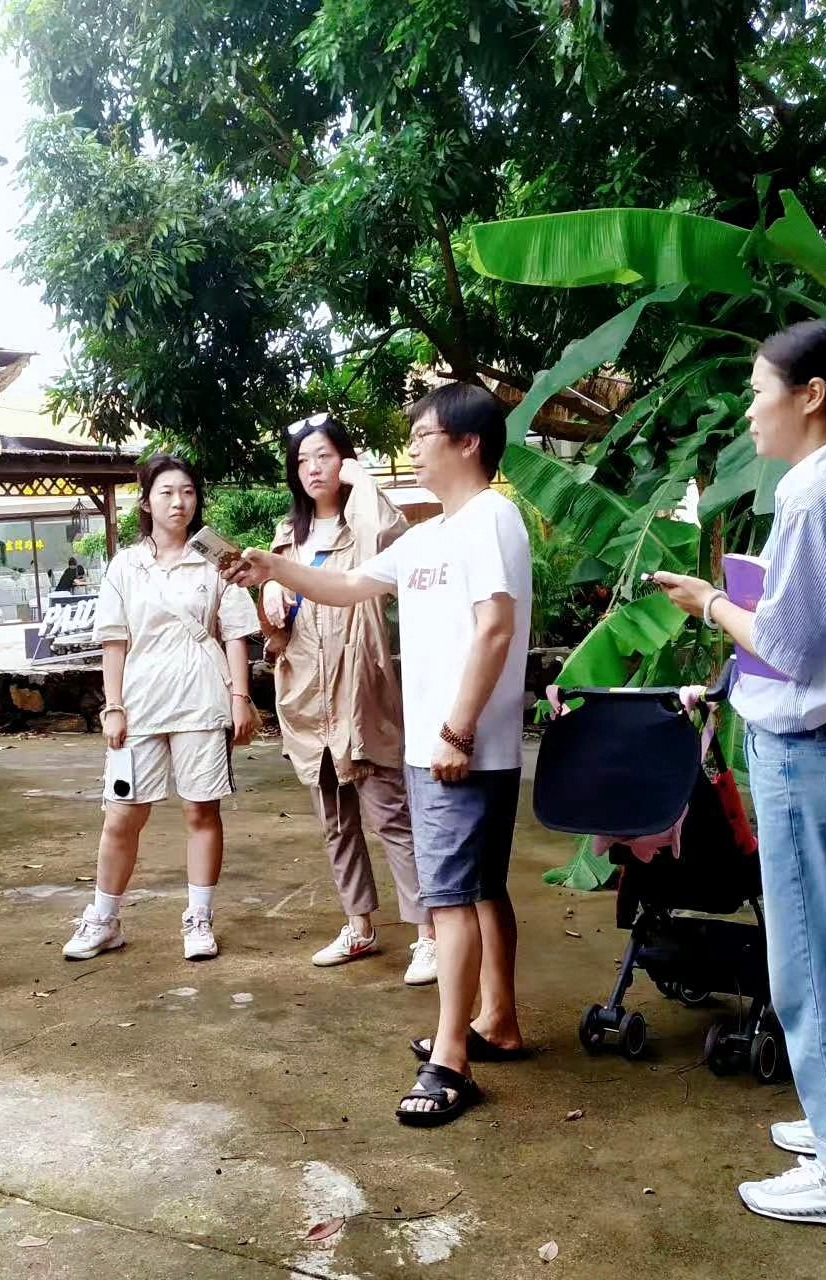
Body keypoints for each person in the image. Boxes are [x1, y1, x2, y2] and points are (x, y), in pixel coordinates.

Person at [652, 320, 826, 1231]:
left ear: (812, 396)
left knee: (815, 973)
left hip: (814, 763)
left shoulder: (818, 494)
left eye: (759, 391)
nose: (749, 411)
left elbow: (789, 647)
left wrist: (710, 603)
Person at [227, 383, 532, 1128]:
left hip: (459, 746)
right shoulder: (430, 535)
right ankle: (497, 1021)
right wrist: (274, 569)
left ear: (467, 443)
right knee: (480, 891)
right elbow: (347, 585)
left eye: (424, 436)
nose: (413, 448)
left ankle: (451, 1060)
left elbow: (495, 627)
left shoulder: (490, 517)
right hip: (438, 745)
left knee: (450, 899)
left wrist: (458, 730)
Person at [259, 414, 435, 984]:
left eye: (325, 456)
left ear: (345, 460)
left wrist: (364, 482)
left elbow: (390, 539)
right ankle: (359, 925)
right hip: (308, 695)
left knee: (390, 816)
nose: (314, 469)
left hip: (360, 689)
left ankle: (428, 935)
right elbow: (275, 618)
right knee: (335, 822)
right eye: (303, 460)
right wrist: (271, 593)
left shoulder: (365, 523)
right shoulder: (288, 536)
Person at [62, 456, 260, 963]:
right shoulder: (126, 565)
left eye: (188, 491)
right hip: (141, 704)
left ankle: (199, 917)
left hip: (202, 701)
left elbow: (236, 633)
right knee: (122, 815)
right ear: (146, 501)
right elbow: (114, 641)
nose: (179, 502)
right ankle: (104, 919)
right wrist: (113, 706)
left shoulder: (218, 558)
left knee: (201, 810)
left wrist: (240, 698)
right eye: (167, 492)